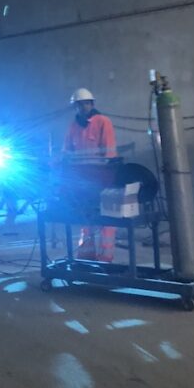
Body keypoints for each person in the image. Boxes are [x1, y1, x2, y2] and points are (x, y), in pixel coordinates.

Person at [63, 88, 118, 261]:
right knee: (85, 217)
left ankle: (105, 257)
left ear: (92, 104)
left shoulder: (102, 122)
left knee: (105, 218)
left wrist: (106, 178)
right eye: (79, 105)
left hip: (100, 179)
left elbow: (109, 152)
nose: (82, 107)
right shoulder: (74, 126)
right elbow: (66, 151)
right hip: (81, 180)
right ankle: (86, 255)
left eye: (86, 104)